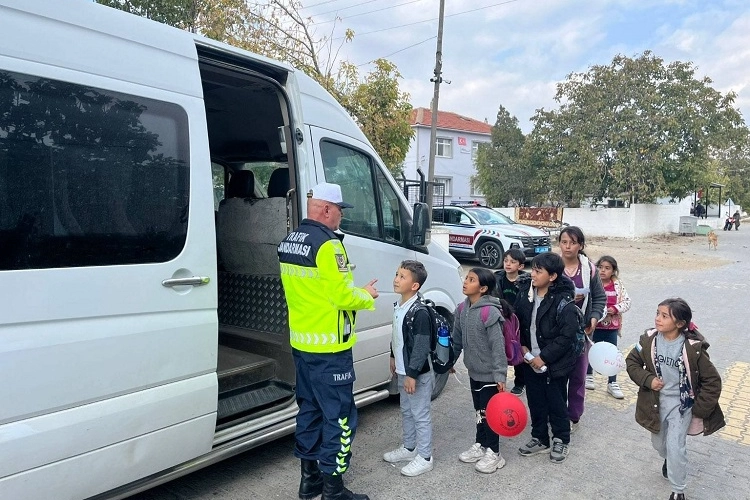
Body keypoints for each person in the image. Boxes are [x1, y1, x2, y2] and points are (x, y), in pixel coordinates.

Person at [278, 182, 379, 500]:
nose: (341, 218)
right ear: (326, 209)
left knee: (309, 410)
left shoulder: (290, 241)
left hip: (302, 343)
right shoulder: (328, 245)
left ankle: (309, 484)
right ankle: (334, 490)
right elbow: (340, 295)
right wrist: (367, 294)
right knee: (340, 416)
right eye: (339, 211)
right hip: (330, 348)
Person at [626, 298, 725, 500]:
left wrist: (699, 409)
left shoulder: (692, 348)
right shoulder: (648, 340)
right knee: (659, 444)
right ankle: (670, 460)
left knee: (675, 446)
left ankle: (678, 490)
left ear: (679, 324)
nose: (658, 319)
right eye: (657, 314)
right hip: (656, 403)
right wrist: (648, 379)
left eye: (664, 316)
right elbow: (631, 361)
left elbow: (712, 381)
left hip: (682, 406)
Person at [514, 252, 579, 463]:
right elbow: (518, 322)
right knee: (535, 401)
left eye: (538, 271)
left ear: (552, 276)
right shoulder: (525, 293)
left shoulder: (563, 301)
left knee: (556, 402)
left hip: (554, 364)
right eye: (532, 269)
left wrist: (544, 357)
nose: (532, 274)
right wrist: (522, 347)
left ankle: (561, 439)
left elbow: (566, 336)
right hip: (529, 360)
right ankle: (540, 438)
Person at [453, 268, 508, 474]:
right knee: (479, 411)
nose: (465, 282)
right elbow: (456, 339)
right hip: (473, 372)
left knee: (490, 413)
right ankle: (481, 444)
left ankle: (495, 453)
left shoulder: (490, 312)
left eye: (471, 280)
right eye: (466, 278)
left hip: (490, 374)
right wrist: (449, 359)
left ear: (483, 288)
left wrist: (500, 374)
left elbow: (498, 346)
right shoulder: (462, 309)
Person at [383, 260, 435, 477]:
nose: (396, 279)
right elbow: (398, 335)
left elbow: (421, 346)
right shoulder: (399, 306)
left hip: (417, 372)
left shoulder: (419, 312)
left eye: (402, 276)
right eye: (397, 274)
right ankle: (409, 447)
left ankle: (425, 457)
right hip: (404, 370)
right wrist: (393, 355)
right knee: (406, 410)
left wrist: (412, 374)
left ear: (415, 286)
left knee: (420, 413)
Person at [557, 226, 606, 432]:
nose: (568, 247)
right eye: (564, 242)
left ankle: (573, 414)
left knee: (578, 376)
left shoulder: (590, 269)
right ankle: (558, 413)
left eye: (573, 242)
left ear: (580, 245)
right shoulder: (551, 266)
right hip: (556, 333)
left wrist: (594, 318)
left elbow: (600, 298)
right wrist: (566, 297)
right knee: (557, 375)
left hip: (582, 333)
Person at [586, 255, 631, 399]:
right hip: (594, 326)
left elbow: (627, 302)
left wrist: (615, 309)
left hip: (611, 327)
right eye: (600, 267)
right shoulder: (592, 283)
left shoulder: (617, 285)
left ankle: (612, 383)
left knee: (612, 354)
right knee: (591, 350)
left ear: (613, 271)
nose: (603, 271)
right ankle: (588, 376)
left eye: (607, 268)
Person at [493, 248, 528, 395]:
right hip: (502, 318)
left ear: (520, 266)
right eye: (506, 260)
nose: (508, 264)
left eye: (513, 262)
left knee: (518, 349)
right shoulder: (497, 278)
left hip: (520, 321)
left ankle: (520, 382)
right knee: (501, 350)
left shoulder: (526, 281)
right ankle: (498, 380)